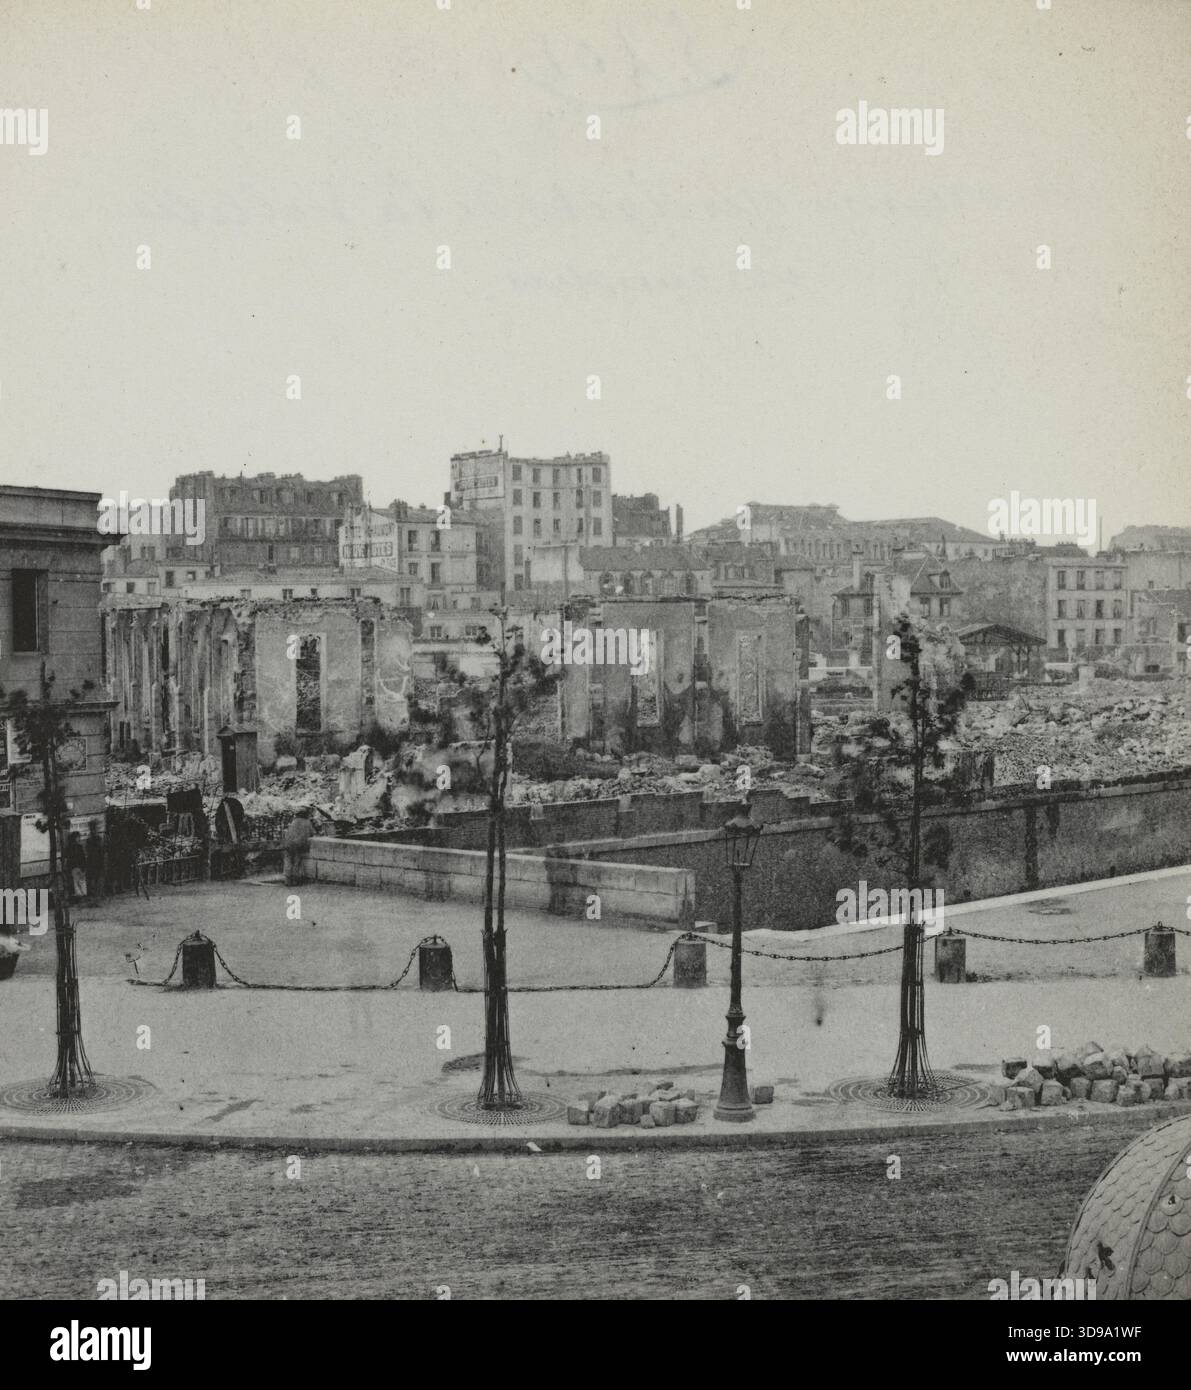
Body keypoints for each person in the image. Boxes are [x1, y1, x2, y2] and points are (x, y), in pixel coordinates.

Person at [282, 805, 314, 886]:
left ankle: (287, 880)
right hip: (299, 845)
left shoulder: (294, 821)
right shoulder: (307, 823)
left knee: (288, 861)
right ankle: (295, 880)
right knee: (297, 862)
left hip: (288, 843)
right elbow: (312, 834)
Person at [84, 821, 105, 906]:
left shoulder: (96, 839)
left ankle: (96, 900)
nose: (93, 830)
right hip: (93, 863)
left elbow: (101, 851)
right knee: (93, 883)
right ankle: (94, 900)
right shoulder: (91, 840)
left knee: (97, 882)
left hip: (97, 863)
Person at [65, 831, 87, 902]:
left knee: (81, 880)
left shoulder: (79, 847)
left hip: (79, 866)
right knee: (77, 881)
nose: (78, 839)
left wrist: (83, 867)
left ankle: (83, 894)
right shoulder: (71, 848)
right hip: (74, 867)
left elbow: (83, 857)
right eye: (77, 837)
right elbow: (69, 858)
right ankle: (80, 895)